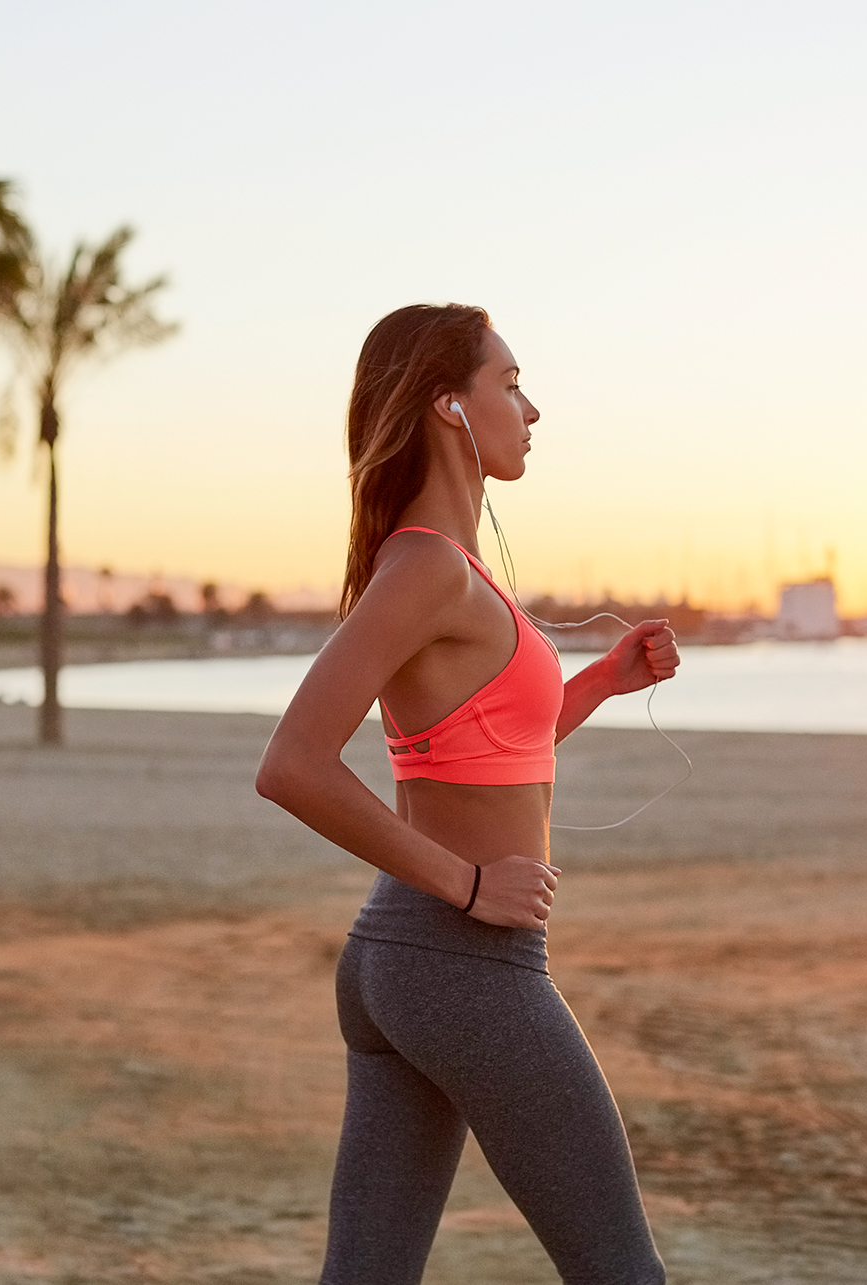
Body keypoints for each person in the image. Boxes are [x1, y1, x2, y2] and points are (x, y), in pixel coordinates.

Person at [256, 303, 679, 1284]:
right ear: (449, 406)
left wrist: (602, 682)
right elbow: (291, 763)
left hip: (408, 962)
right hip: (460, 962)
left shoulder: (448, 570)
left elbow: (490, 750)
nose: (531, 409)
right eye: (510, 382)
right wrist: (465, 885)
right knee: (621, 1272)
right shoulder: (425, 570)